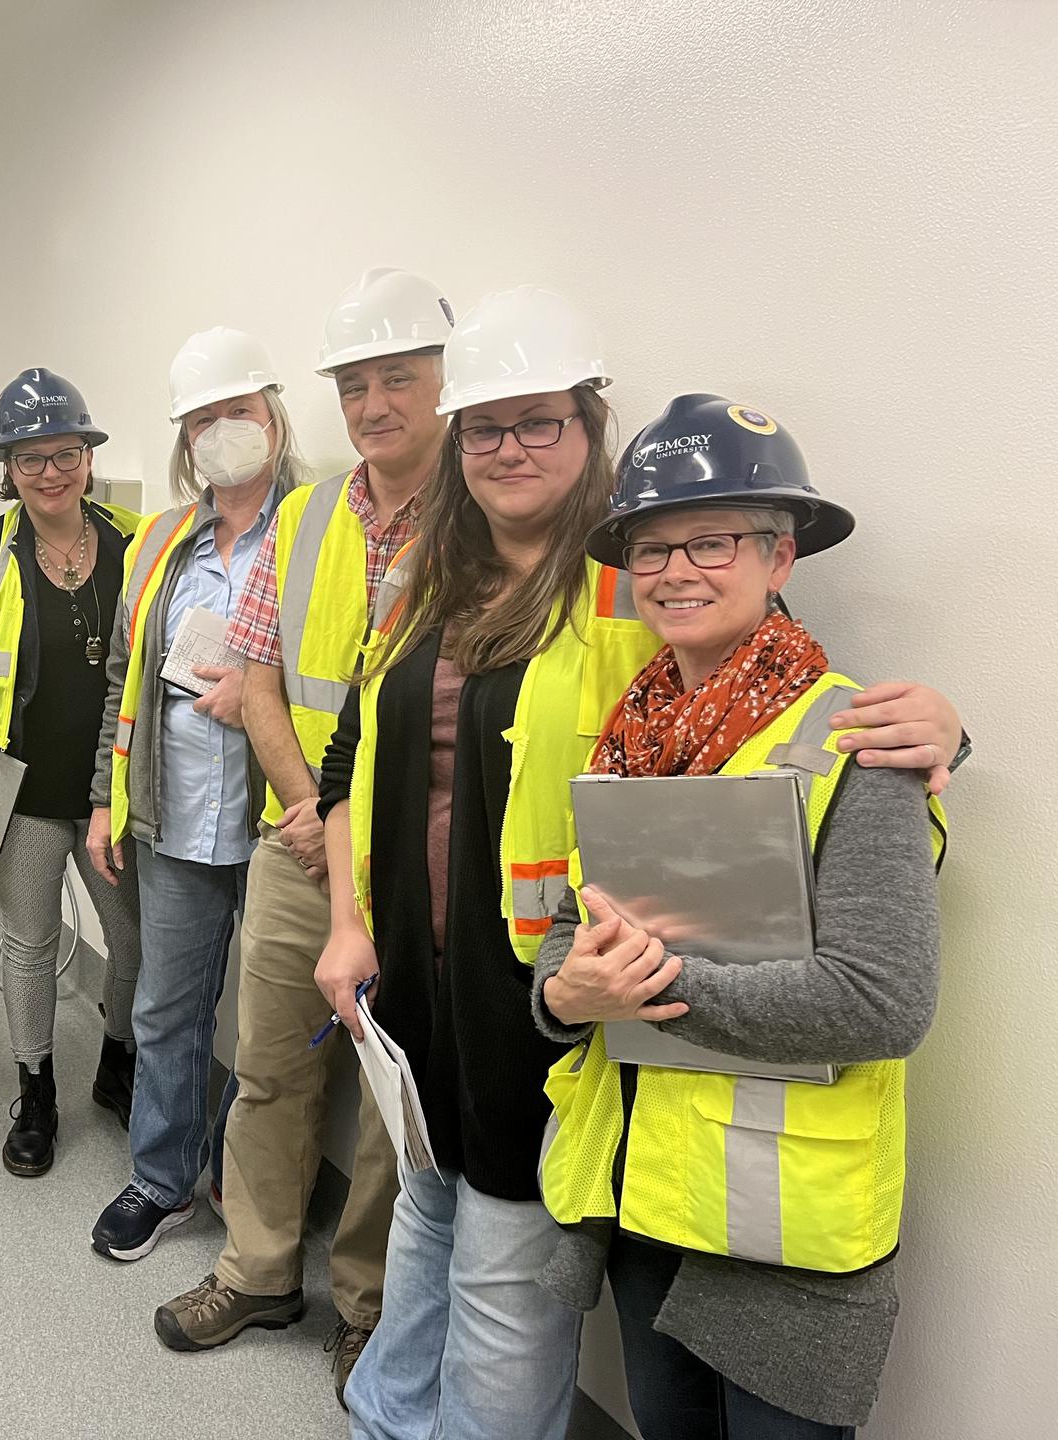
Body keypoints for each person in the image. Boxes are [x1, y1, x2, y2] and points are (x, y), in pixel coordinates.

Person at [316, 289, 964, 1440]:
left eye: (539, 422)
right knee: (428, 1215)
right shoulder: (432, 581)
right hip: (446, 987)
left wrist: (940, 729)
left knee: (505, 1276)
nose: (681, 570)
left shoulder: (629, 596)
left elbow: (786, 715)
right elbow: (355, 754)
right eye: (484, 427)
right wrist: (350, 918)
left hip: (548, 1009)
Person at [531, 395, 947, 1439]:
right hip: (645, 1200)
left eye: (710, 541)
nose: (675, 571)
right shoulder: (630, 734)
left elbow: (882, 1001)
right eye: (653, 548)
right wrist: (563, 994)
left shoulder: (863, 743)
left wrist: (651, 989)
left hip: (785, 1232)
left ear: (781, 558)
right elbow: (568, 939)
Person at [156, 268, 454, 1403]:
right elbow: (260, 674)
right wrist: (308, 812)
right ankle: (258, 1268)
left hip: (422, 861)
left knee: (391, 1098)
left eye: (400, 379)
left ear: (445, 382)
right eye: (357, 385)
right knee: (270, 1064)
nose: (376, 404)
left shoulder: (488, 512)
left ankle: (369, 1306)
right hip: (302, 844)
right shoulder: (310, 514)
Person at [84, 327, 313, 1260]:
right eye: (204, 419)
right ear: (184, 438)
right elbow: (123, 677)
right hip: (171, 814)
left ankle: (255, 1198)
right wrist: (106, 797)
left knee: (270, 1036)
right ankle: (161, 1179)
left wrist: (260, 699)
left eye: (240, 411)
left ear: (274, 416)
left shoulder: (320, 526)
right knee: (166, 1009)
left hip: (281, 823)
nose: (225, 431)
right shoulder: (163, 537)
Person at [0, 368, 143, 1178]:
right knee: (30, 943)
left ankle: (116, 1063)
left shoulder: (133, 539)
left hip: (109, 793)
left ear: (88, 456)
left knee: (132, 941)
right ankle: (37, 1089)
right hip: (20, 794)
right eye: (30, 459)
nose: (50, 473)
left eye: (64, 454)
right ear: (8, 470)